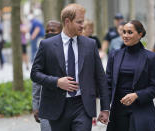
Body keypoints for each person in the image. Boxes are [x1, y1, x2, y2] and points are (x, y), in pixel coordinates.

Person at [30, 3, 110, 131]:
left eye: (83, 21)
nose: (82, 25)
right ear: (67, 21)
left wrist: (105, 108)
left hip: (83, 106)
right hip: (57, 107)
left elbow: (100, 77)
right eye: (79, 22)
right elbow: (35, 74)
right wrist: (57, 82)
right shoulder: (47, 45)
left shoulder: (90, 44)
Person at [106, 20, 155, 131]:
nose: (125, 35)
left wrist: (136, 95)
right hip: (118, 111)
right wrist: (104, 108)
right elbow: (108, 83)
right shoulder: (114, 55)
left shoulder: (151, 57)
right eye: (124, 32)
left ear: (140, 34)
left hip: (141, 109)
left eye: (130, 32)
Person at [32, 20, 62, 131]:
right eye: (47, 31)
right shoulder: (41, 50)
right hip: (45, 105)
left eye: (53, 30)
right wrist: (36, 106)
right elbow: (36, 82)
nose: (49, 33)